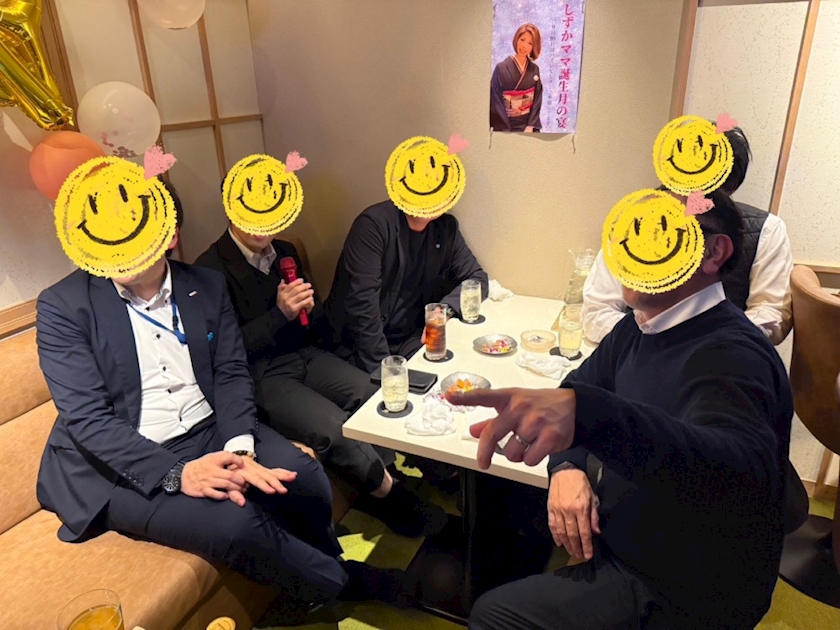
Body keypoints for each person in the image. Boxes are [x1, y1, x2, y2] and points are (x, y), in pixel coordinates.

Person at [36, 188, 414, 614]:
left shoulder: (204, 285)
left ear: (169, 234)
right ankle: (339, 583)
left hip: (208, 425)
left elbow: (231, 372)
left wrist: (239, 449)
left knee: (304, 474)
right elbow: (88, 420)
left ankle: (319, 572)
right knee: (236, 521)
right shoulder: (63, 306)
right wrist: (178, 473)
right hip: (123, 460)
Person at [451, 190, 794, 629]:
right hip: (626, 540)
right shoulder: (642, 325)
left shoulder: (732, 354)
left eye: (657, 236)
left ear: (714, 252)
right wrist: (567, 467)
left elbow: (735, 470)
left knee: (494, 616)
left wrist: (589, 417)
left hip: (681, 587)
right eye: (630, 235)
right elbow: (579, 388)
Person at [194, 222, 446, 538]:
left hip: (306, 353)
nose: (261, 228)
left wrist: (309, 312)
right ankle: (392, 500)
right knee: (335, 426)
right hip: (261, 373)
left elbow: (314, 324)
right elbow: (224, 350)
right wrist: (279, 315)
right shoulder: (210, 269)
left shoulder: (284, 252)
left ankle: (392, 474)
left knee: (373, 394)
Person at [583, 125, 793, 346]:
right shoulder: (635, 222)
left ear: (730, 186)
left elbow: (771, 315)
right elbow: (597, 311)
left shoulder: (767, 230)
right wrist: (654, 339)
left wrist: (705, 343)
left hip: (718, 356)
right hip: (634, 351)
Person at [326, 200, 489, 374]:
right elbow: (362, 308)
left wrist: (444, 310)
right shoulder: (373, 225)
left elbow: (477, 279)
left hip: (410, 339)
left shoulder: (445, 228)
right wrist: (388, 373)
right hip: (355, 345)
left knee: (462, 372)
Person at [490, 23, 543, 133]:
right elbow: (495, 101)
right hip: (506, 125)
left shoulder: (534, 69)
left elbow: (537, 99)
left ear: (534, 47)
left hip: (528, 126)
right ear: (516, 39)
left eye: (530, 43)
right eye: (522, 40)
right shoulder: (501, 68)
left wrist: (530, 126)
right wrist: (505, 130)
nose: (524, 46)